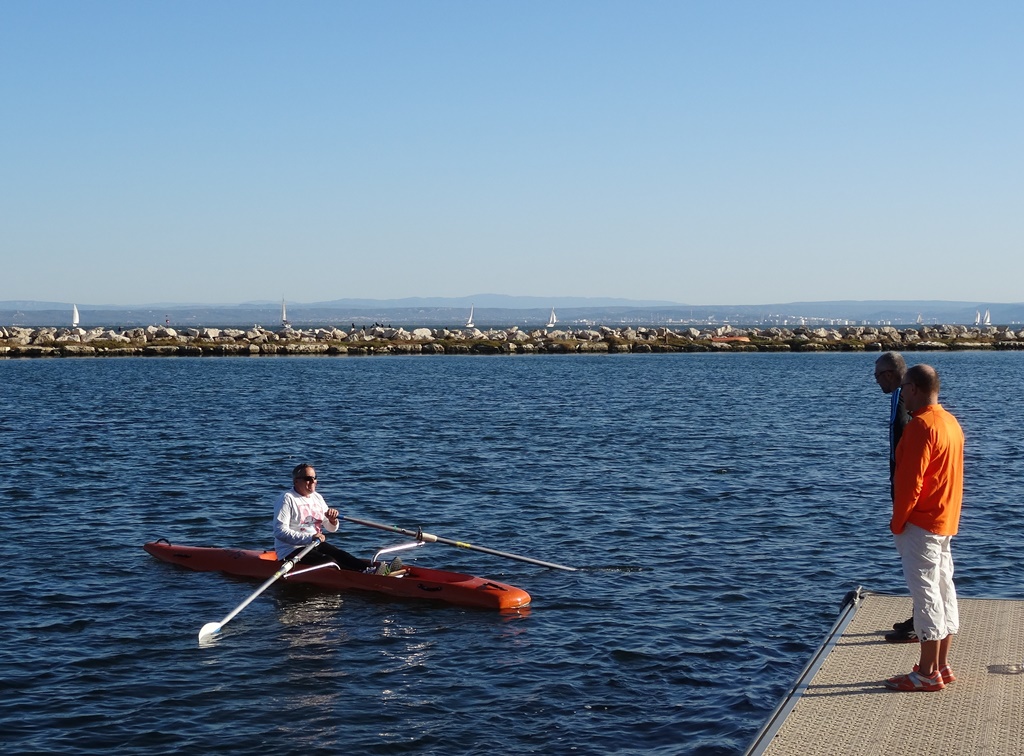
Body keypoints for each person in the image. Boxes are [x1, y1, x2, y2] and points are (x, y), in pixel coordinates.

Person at [883, 364, 964, 692]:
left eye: (904, 387)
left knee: (926, 594)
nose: (901, 393)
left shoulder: (920, 427)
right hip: (945, 520)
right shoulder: (950, 422)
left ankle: (928, 673)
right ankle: (940, 665)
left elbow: (910, 484)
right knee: (944, 588)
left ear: (914, 388)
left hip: (921, 523)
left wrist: (897, 522)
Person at [273, 463, 402, 575]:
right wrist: (310, 538)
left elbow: (330, 528)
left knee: (342, 555)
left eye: (315, 478)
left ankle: (371, 570)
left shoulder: (317, 497)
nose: (313, 482)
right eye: (308, 478)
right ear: (296, 481)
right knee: (330, 562)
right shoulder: (287, 498)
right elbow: (279, 532)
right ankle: (366, 575)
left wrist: (332, 520)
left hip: (314, 543)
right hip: (291, 550)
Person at [873, 352, 915, 642]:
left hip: (904, 485)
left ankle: (920, 623)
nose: (876, 382)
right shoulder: (900, 398)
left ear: (889, 374)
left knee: (914, 557)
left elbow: (902, 444)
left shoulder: (900, 400)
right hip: (900, 481)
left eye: (877, 376)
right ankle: (921, 616)